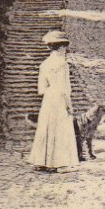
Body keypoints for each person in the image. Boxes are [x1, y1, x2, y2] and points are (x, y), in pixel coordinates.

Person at [29, 29, 79, 171]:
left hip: (48, 98)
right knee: (61, 128)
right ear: (62, 47)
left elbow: (41, 88)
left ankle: (42, 161)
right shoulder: (63, 64)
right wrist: (69, 105)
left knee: (46, 126)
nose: (66, 50)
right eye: (65, 47)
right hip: (59, 97)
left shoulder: (44, 64)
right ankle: (60, 163)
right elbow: (65, 88)